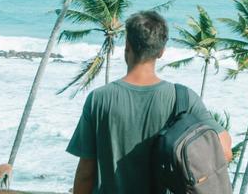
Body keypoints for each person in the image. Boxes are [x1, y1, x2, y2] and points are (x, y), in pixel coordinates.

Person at [67, 10, 233, 194]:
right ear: (161, 51)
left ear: (127, 45)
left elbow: (86, 173)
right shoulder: (183, 98)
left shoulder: (99, 99)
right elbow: (225, 152)